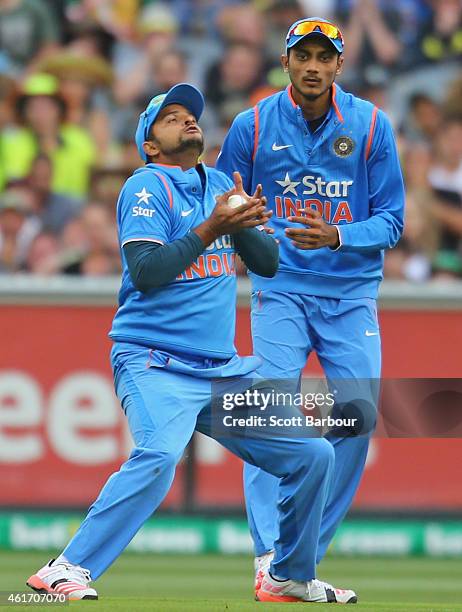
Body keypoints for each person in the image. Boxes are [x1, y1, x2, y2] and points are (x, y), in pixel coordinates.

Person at [25, 83, 357, 604]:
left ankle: (286, 574)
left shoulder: (223, 183)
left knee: (313, 455)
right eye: (172, 117)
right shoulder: (145, 185)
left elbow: (267, 263)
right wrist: (214, 224)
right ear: (151, 144)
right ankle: (65, 568)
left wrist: (241, 223)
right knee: (158, 456)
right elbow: (148, 270)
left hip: (221, 371)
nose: (188, 121)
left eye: (191, 115)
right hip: (155, 360)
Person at [217, 17, 405, 600]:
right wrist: (249, 227)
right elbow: (222, 198)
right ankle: (271, 553)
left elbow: (392, 220)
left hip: (350, 294)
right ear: (287, 62)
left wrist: (339, 236)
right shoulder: (252, 125)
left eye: (325, 57)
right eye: (305, 56)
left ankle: (298, 564)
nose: (314, 66)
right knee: (268, 408)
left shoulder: (371, 126)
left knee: (357, 419)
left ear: (339, 66)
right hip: (282, 288)